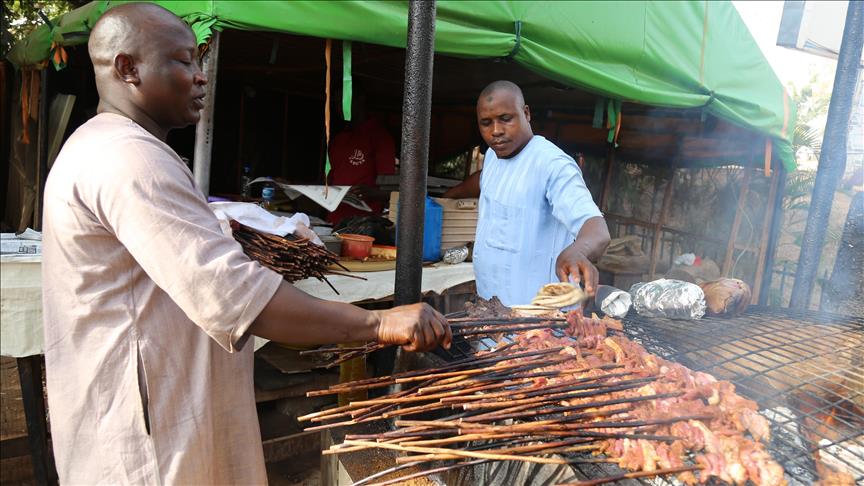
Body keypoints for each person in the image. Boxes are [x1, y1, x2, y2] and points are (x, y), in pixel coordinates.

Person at [41, 4, 450, 484]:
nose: (200, 77)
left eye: (199, 62)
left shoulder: (110, 146)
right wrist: (378, 322)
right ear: (128, 68)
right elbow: (234, 296)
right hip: (149, 438)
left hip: (150, 409)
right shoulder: (128, 159)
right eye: (182, 61)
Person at [443, 80, 611, 306]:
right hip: (492, 308)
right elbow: (482, 182)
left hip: (539, 318)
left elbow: (596, 229)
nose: (496, 131)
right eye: (486, 123)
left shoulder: (552, 164)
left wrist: (578, 251)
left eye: (505, 119)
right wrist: (449, 195)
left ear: (526, 113)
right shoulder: (494, 156)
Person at [326, 88, 397, 224]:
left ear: (360, 99)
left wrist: (371, 193)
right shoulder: (339, 139)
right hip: (333, 221)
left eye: (344, 100)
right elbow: (328, 182)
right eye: (336, 103)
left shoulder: (380, 137)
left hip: (363, 225)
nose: (339, 107)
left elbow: (391, 191)